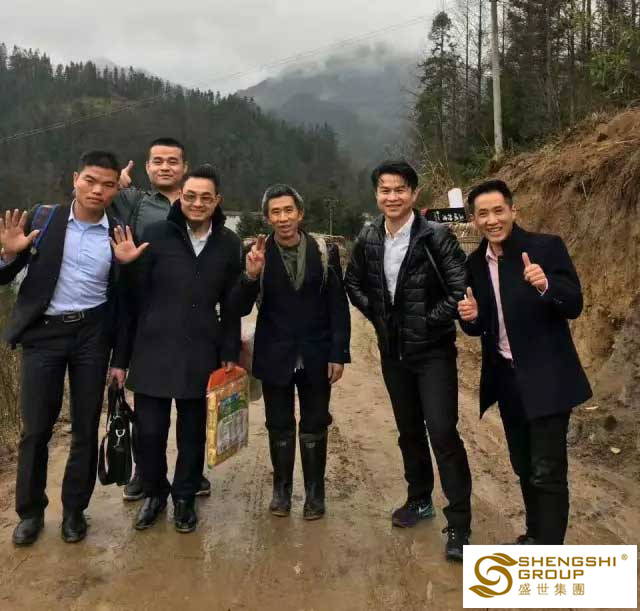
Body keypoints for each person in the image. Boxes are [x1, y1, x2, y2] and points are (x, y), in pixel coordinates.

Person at [0, 150, 137, 545]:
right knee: (35, 430)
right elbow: (5, 275)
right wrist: (8, 253)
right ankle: (30, 513)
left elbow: (124, 305)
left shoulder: (119, 233)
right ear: (75, 178)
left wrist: (120, 359)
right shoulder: (43, 219)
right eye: (90, 180)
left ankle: (75, 511)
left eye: (107, 185)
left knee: (84, 428)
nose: (97, 190)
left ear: (115, 190)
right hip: (44, 335)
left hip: (92, 336)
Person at [345, 160, 472, 561]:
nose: (392, 197)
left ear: (414, 194)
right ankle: (419, 499)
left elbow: (459, 289)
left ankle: (459, 523)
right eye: (385, 190)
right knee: (409, 431)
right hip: (393, 353)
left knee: (443, 433)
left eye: (400, 189)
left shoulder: (436, 236)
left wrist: (425, 321)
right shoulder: (369, 237)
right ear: (376, 195)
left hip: (433, 353)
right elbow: (353, 282)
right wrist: (380, 317)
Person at [458, 179, 592, 545]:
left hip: (548, 378)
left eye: (498, 211)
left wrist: (546, 285)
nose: (492, 220)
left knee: (548, 471)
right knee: (524, 466)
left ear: (513, 210)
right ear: (474, 220)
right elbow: (479, 327)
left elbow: (574, 304)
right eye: (483, 214)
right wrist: (470, 317)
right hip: (508, 380)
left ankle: (549, 551)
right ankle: (535, 536)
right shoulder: (475, 264)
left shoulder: (545, 248)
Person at [113, 164, 242, 533]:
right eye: (190, 196)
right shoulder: (156, 235)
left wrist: (229, 352)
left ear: (217, 201)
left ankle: (184, 497)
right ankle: (154, 493)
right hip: (153, 349)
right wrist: (120, 359)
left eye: (205, 198)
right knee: (149, 432)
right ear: (180, 198)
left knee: (192, 433)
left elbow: (232, 306)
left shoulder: (228, 243)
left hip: (201, 350)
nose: (197, 203)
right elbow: (131, 301)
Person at [227, 184, 350, 520]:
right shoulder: (256, 252)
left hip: (316, 353)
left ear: (300, 213)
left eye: (288, 210)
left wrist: (338, 353)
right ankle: (281, 491)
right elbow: (236, 306)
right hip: (274, 352)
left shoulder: (323, 251)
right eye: (275, 212)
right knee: (279, 424)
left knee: (314, 423)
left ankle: (314, 494)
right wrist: (250, 275)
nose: (283, 218)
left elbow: (337, 305)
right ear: (267, 217)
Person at [111, 137, 211, 501]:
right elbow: (89, 193)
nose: (165, 167)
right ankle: (145, 472)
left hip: (190, 317)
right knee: (148, 411)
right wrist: (116, 184)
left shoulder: (197, 200)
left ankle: (191, 474)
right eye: (157, 161)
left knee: (192, 408)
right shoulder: (132, 201)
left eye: (172, 161)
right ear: (147, 166)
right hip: (146, 311)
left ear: (185, 167)